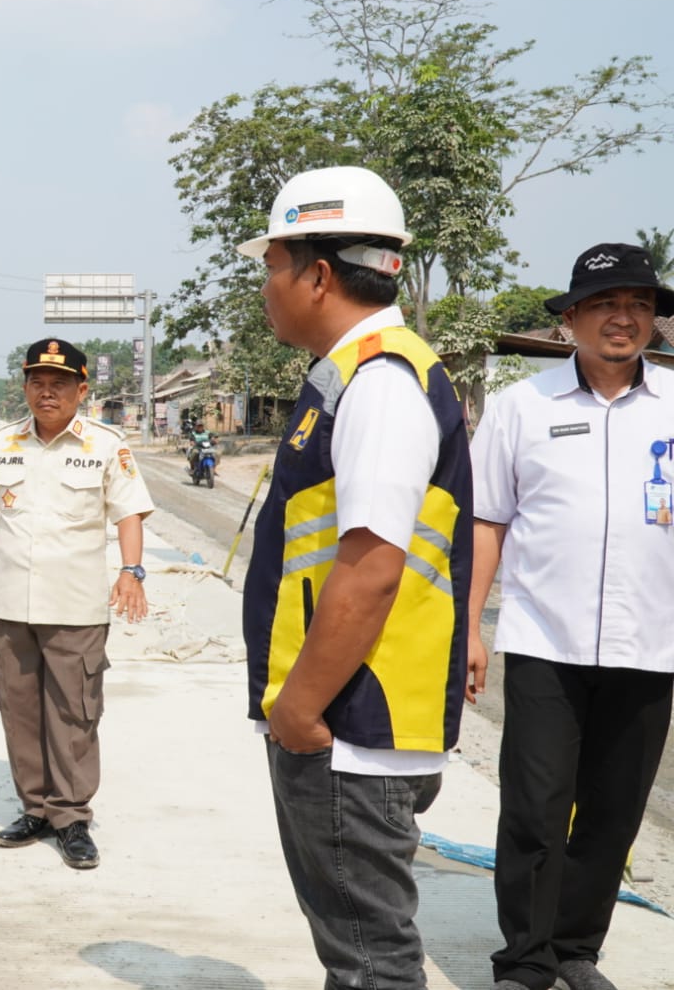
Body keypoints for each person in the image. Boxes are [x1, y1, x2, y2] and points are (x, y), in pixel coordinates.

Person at [237, 166, 473, 989]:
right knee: (357, 954)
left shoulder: (378, 384)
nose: (266, 287)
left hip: (350, 727)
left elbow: (372, 570)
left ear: (319, 274)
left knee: (371, 961)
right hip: (349, 723)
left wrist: (298, 707)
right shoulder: (355, 375)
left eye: (271, 266)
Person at [466, 243, 674, 990]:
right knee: (535, 806)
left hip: (651, 643)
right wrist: (470, 628)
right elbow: (487, 520)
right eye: (608, 305)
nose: (625, 318)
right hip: (543, 638)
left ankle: (577, 948)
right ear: (572, 318)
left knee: (615, 809)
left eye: (641, 305)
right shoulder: (525, 406)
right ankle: (524, 958)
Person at [0, 337, 153, 870]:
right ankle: (34, 808)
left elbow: (129, 511)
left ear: (82, 389)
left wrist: (132, 571)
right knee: (19, 710)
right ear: (25, 387)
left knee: (73, 712)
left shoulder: (106, 445)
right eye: (37, 382)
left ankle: (72, 816)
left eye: (59, 384)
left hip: (76, 606)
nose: (47, 392)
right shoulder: (5, 441)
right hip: (12, 604)